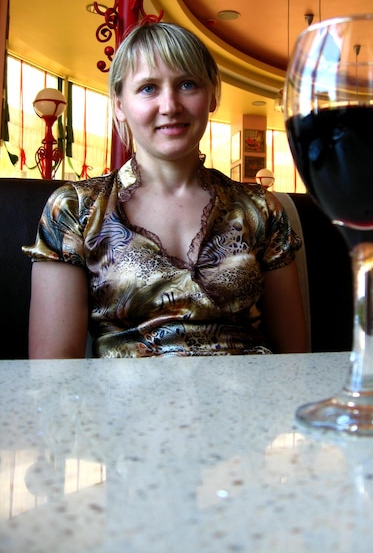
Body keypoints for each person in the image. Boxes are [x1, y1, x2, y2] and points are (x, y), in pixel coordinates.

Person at [24, 21, 308, 358]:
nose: (170, 105)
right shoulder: (76, 209)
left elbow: (295, 361)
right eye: (148, 88)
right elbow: (54, 375)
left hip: (251, 406)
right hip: (123, 409)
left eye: (187, 84)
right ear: (119, 104)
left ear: (212, 95)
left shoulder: (260, 209)